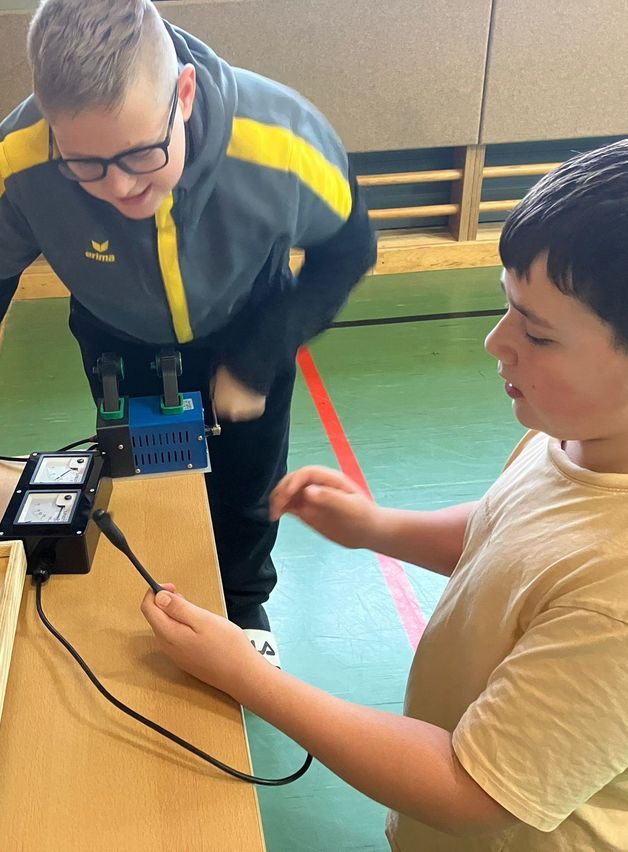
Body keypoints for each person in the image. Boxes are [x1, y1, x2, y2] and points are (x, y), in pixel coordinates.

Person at [0, 0, 375, 632]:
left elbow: (350, 248)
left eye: (140, 155)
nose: (118, 188)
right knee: (141, 487)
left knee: (246, 491)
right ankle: (159, 594)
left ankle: (245, 607)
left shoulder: (283, 140)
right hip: (121, 347)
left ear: (184, 95)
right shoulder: (21, 160)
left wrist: (262, 351)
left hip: (248, 336)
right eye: (84, 164)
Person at [141, 138, 628, 849]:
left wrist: (249, 677)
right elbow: (508, 536)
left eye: (539, 334)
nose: (497, 342)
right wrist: (377, 528)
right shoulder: (579, 437)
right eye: (507, 309)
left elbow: (473, 791)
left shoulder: (615, 602)